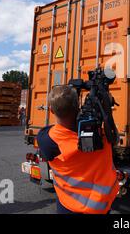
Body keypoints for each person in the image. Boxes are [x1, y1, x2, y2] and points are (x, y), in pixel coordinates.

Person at [36, 85, 119, 214]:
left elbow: (50, 129)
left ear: (51, 111)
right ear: (78, 106)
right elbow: (110, 127)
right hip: (100, 207)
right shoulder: (103, 136)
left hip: (69, 207)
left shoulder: (48, 141)